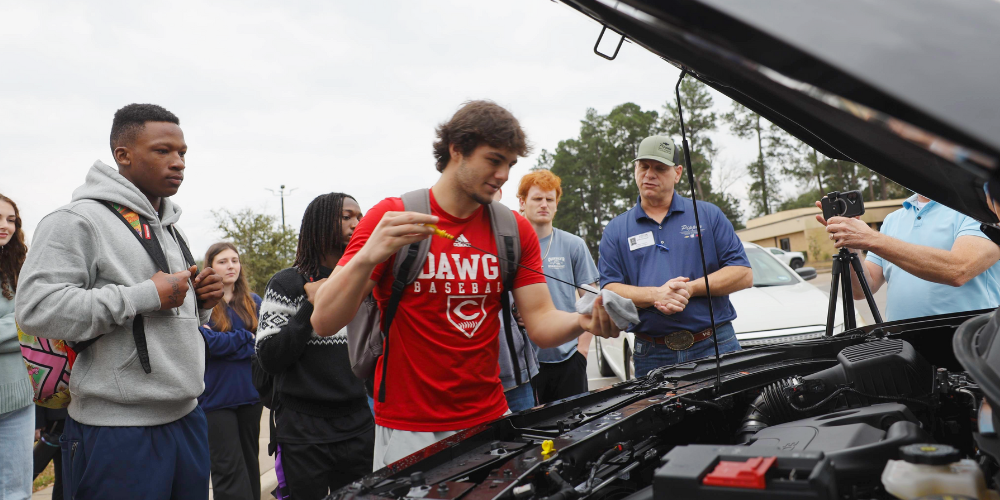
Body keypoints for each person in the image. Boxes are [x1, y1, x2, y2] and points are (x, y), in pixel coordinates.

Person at [310, 100, 619, 470]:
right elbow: (324, 321)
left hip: (490, 417)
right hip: (410, 426)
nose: (504, 173)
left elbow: (540, 322)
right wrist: (367, 256)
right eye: (494, 160)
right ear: (457, 149)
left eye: (510, 163)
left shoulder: (513, 230)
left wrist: (581, 322)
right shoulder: (391, 216)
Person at [15, 104, 224, 500]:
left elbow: (166, 314)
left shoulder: (170, 228)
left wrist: (202, 304)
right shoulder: (75, 220)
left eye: (182, 153)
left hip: (187, 418)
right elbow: (37, 309)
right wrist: (146, 295)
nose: (178, 162)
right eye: (163, 151)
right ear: (122, 154)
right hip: (116, 431)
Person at [599, 135, 752, 378]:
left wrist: (690, 289)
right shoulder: (616, 229)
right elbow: (610, 289)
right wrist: (656, 294)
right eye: (643, 166)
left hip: (714, 344)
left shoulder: (708, 215)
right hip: (651, 353)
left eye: (660, 168)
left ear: (678, 173)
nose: (649, 174)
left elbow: (743, 274)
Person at [255, 192, 373, 500]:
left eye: (359, 217)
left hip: (359, 423)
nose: (356, 223)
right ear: (319, 225)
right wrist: (310, 306)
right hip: (303, 430)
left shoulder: (365, 282)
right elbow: (269, 357)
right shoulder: (286, 284)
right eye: (346, 216)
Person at [819, 193, 1000, 321]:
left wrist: (870, 238)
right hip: (903, 347)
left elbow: (959, 269)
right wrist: (852, 244)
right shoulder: (892, 220)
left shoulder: (983, 212)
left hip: (970, 345)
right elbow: (862, 289)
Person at [516, 170, 600, 403]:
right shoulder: (511, 247)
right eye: (537, 198)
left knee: (574, 434)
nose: (544, 204)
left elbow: (592, 301)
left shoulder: (573, 245)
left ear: (556, 204)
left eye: (549, 199)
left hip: (568, 361)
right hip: (525, 365)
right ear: (522, 202)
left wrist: (582, 353)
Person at [199, 242, 263, 500]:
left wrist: (229, 341)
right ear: (210, 267)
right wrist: (246, 338)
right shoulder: (202, 305)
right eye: (223, 261)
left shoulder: (254, 302)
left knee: (250, 464)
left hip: (251, 395)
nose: (230, 266)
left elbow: (262, 344)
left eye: (234, 260)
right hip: (215, 399)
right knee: (227, 468)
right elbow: (206, 345)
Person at [492, 188, 540, 412]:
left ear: (500, 192)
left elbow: (534, 301)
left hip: (518, 377)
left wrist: (527, 310)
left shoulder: (514, 232)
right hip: (471, 384)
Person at [0, 194, 33, 500]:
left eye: (11, 219)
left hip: (20, 398)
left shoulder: (20, 267)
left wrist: (23, 322)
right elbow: (26, 321)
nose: (5, 226)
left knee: (16, 492)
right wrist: (20, 325)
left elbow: (35, 319)